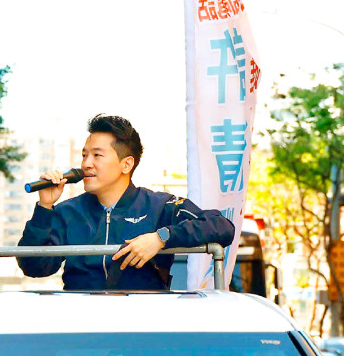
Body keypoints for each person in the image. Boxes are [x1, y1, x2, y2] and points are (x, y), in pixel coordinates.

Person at [17, 114, 235, 291]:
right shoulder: (68, 211)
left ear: (126, 164)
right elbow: (34, 267)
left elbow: (221, 226)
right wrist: (44, 207)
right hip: (82, 322)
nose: (86, 164)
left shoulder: (160, 205)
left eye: (97, 155)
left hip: (141, 323)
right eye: (84, 155)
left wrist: (161, 238)